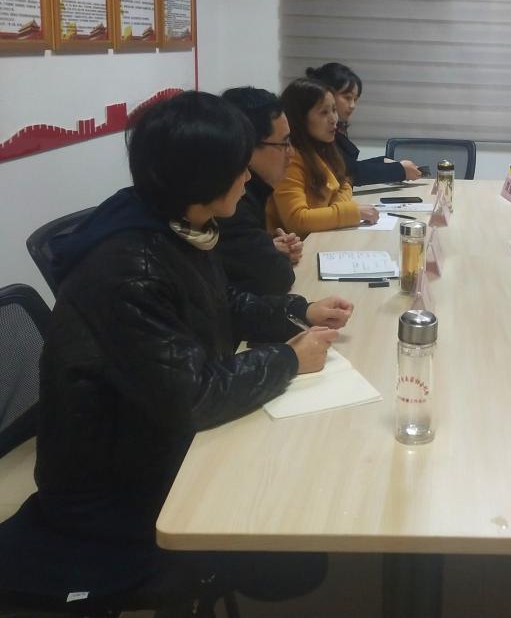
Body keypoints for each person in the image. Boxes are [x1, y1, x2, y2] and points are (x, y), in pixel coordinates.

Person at [31, 91, 353, 610]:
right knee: (291, 515)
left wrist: (299, 311)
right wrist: (289, 358)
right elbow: (194, 397)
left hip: (151, 432)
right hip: (117, 488)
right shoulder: (129, 269)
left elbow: (220, 302)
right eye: (238, 167)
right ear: (203, 177)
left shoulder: (174, 222)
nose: (247, 177)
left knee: (301, 498)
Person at [269, 77, 379, 236]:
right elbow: (297, 220)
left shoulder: (324, 149)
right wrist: (350, 212)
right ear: (300, 118)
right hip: (297, 245)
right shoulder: (290, 157)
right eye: (324, 112)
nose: (334, 119)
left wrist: (333, 210)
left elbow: (345, 183)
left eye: (334, 110)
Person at [219, 86, 302, 294]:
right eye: (283, 143)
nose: (291, 152)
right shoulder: (228, 202)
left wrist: (267, 245)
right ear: (247, 146)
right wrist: (272, 253)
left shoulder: (254, 190)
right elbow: (275, 276)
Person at [306, 62, 421, 185]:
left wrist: (383, 162)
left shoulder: (334, 128)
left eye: (355, 99)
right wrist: (399, 170)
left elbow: (349, 167)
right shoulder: (316, 131)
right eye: (347, 97)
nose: (352, 105)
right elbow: (349, 173)